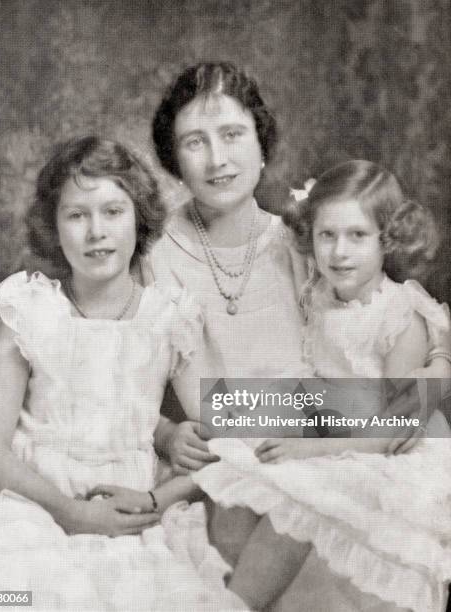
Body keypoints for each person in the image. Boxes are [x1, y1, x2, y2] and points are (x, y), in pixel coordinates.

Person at [145, 61, 451, 584]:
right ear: (174, 159)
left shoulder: (307, 239)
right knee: (252, 547)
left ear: (261, 146)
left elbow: (393, 328)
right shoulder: (152, 255)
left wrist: (428, 378)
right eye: (195, 141)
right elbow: (157, 386)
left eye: (233, 134)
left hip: (340, 441)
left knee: (357, 560)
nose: (218, 159)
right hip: (255, 446)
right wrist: (166, 430)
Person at [0, 136, 246, 611]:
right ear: (53, 226)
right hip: (29, 502)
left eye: (113, 212)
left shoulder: (169, 318)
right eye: (77, 215)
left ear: (139, 217)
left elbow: (229, 436)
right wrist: (70, 513)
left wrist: (156, 499)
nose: (97, 231)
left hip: (131, 511)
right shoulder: (29, 309)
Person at [192, 160, 451, 612]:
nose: (339, 253)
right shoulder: (319, 294)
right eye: (326, 236)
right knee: (232, 488)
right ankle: (246, 595)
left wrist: (310, 449)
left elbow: (392, 428)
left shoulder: (401, 317)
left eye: (357, 236)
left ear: (386, 240)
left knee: (294, 511)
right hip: (330, 431)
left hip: (384, 452)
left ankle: (233, 604)